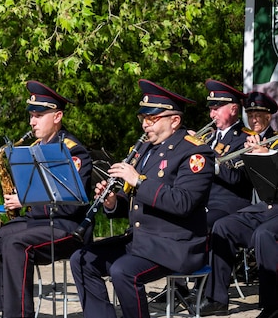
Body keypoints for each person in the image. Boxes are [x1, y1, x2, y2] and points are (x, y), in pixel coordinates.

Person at [69, 79, 214, 318]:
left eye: (152, 119)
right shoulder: (145, 149)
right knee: (82, 260)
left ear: (174, 121)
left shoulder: (195, 152)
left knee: (123, 271)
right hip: (142, 241)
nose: (145, 125)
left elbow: (184, 202)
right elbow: (133, 200)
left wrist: (139, 181)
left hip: (175, 245)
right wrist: (113, 202)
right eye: (143, 119)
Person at [0, 80, 93, 318]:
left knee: (14, 244)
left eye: (39, 115)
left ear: (57, 116)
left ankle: (19, 314)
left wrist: (26, 199)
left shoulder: (72, 151)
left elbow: (70, 205)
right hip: (35, 223)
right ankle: (7, 308)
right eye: (31, 115)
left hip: (66, 226)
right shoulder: (32, 149)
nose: (32, 121)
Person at [192, 92, 278, 317]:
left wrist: (264, 155)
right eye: (250, 114)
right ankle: (217, 299)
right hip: (266, 206)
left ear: (270, 117)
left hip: (268, 206)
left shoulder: (272, 141)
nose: (254, 119)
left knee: (263, 234)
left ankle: (271, 306)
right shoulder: (260, 139)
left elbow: (243, 179)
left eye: (259, 114)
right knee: (224, 227)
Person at [203, 79, 254, 227]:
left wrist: (205, 155)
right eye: (210, 109)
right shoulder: (207, 137)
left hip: (228, 205)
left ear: (233, 109)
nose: (212, 115)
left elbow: (236, 177)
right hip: (201, 202)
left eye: (216, 109)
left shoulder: (247, 138)